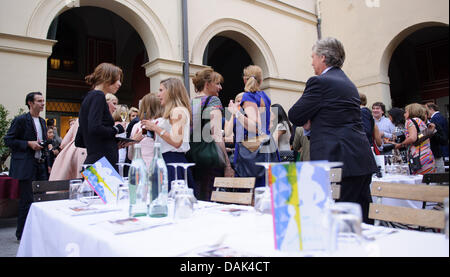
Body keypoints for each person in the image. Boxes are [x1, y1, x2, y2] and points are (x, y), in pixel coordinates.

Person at [288, 37, 377, 224]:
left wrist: (309, 121)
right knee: (363, 222)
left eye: (312, 57)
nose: (311, 62)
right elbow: (336, 117)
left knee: (338, 223)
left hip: (338, 163)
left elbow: (295, 115)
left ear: (322, 57)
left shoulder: (320, 82)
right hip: (360, 160)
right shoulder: (349, 84)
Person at [4, 91, 49, 240]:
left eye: (43, 101)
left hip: (41, 165)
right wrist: (28, 144)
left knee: (41, 200)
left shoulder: (43, 121)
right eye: (39, 101)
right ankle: (22, 234)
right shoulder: (21, 120)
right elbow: (9, 140)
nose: (42, 103)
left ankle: (37, 231)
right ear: (30, 103)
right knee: (27, 200)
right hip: (27, 166)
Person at [141, 78, 197, 193]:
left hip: (173, 162)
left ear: (171, 91)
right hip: (167, 160)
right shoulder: (174, 112)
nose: (158, 94)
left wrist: (155, 128)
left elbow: (176, 142)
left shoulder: (178, 111)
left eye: (161, 90)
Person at [228, 65, 278, 187]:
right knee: (267, 191)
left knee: (252, 192)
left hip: (253, 152)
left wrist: (236, 112)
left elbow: (255, 126)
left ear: (245, 80)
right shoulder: (265, 96)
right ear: (261, 81)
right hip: (267, 147)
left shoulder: (248, 96)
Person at [188, 68, 234, 200]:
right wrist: (227, 165)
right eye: (217, 83)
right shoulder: (214, 101)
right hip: (209, 160)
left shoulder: (190, 103)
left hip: (192, 157)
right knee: (210, 201)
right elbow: (216, 135)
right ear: (207, 84)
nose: (220, 87)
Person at [75, 63, 127, 172]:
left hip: (95, 162)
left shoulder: (89, 97)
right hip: (102, 165)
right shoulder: (98, 96)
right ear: (107, 78)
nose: (120, 83)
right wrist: (117, 129)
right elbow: (95, 128)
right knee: (109, 190)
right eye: (117, 80)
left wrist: (112, 142)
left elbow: (80, 140)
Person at [393, 103, 436, 175]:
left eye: (406, 112)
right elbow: (420, 136)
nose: (404, 114)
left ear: (412, 111)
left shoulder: (410, 121)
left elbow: (413, 138)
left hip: (418, 157)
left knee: (420, 182)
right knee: (429, 181)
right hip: (427, 155)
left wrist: (400, 144)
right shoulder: (420, 121)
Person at [128, 93, 163, 167]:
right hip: (157, 166)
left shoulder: (137, 126)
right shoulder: (162, 123)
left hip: (138, 167)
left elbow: (130, 155)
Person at [425, 103, 449, 171]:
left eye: (426, 111)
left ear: (431, 109)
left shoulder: (435, 118)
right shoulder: (440, 116)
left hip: (439, 149)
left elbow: (440, 134)